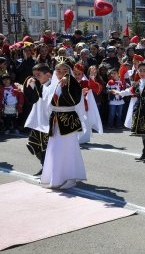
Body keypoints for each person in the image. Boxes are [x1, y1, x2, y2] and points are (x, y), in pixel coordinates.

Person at [40, 59, 87, 189]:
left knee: (69, 149)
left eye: (65, 71)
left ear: (70, 72)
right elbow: (46, 101)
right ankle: (55, 178)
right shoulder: (54, 84)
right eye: (58, 70)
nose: (61, 73)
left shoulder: (73, 84)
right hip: (55, 120)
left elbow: (74, 101)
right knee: (55, 149)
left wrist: (67, 86)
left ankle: (70, 178)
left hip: (68, 120)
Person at [113, 62, 145, 161]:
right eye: (140, 70)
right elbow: (129, 91)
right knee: (144, 131)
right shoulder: (137, 83)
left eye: (144, 70)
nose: (142, 72)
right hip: (140, 108)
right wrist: (119, 92)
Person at [23, 63, 52, 176]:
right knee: (33, 144)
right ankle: (44, 165)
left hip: (48, 123)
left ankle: (48, 169)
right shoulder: (41, 85)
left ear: (48, 75)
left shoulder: (52, 86)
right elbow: (32, 99)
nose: (35, 77)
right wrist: (28, 86)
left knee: (47, 148)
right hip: (38, 122)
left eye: (38, 75)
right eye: (34, 75)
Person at [73, 63, 103, 143]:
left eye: (79, 74)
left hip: (83, 105)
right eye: (75, 74)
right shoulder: (70, 82)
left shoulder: (85, 82)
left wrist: (92, 78)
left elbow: (97, 88)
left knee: (84, 120)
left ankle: (83, 138)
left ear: (82, 74)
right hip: (73, 105)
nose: (77, 75)